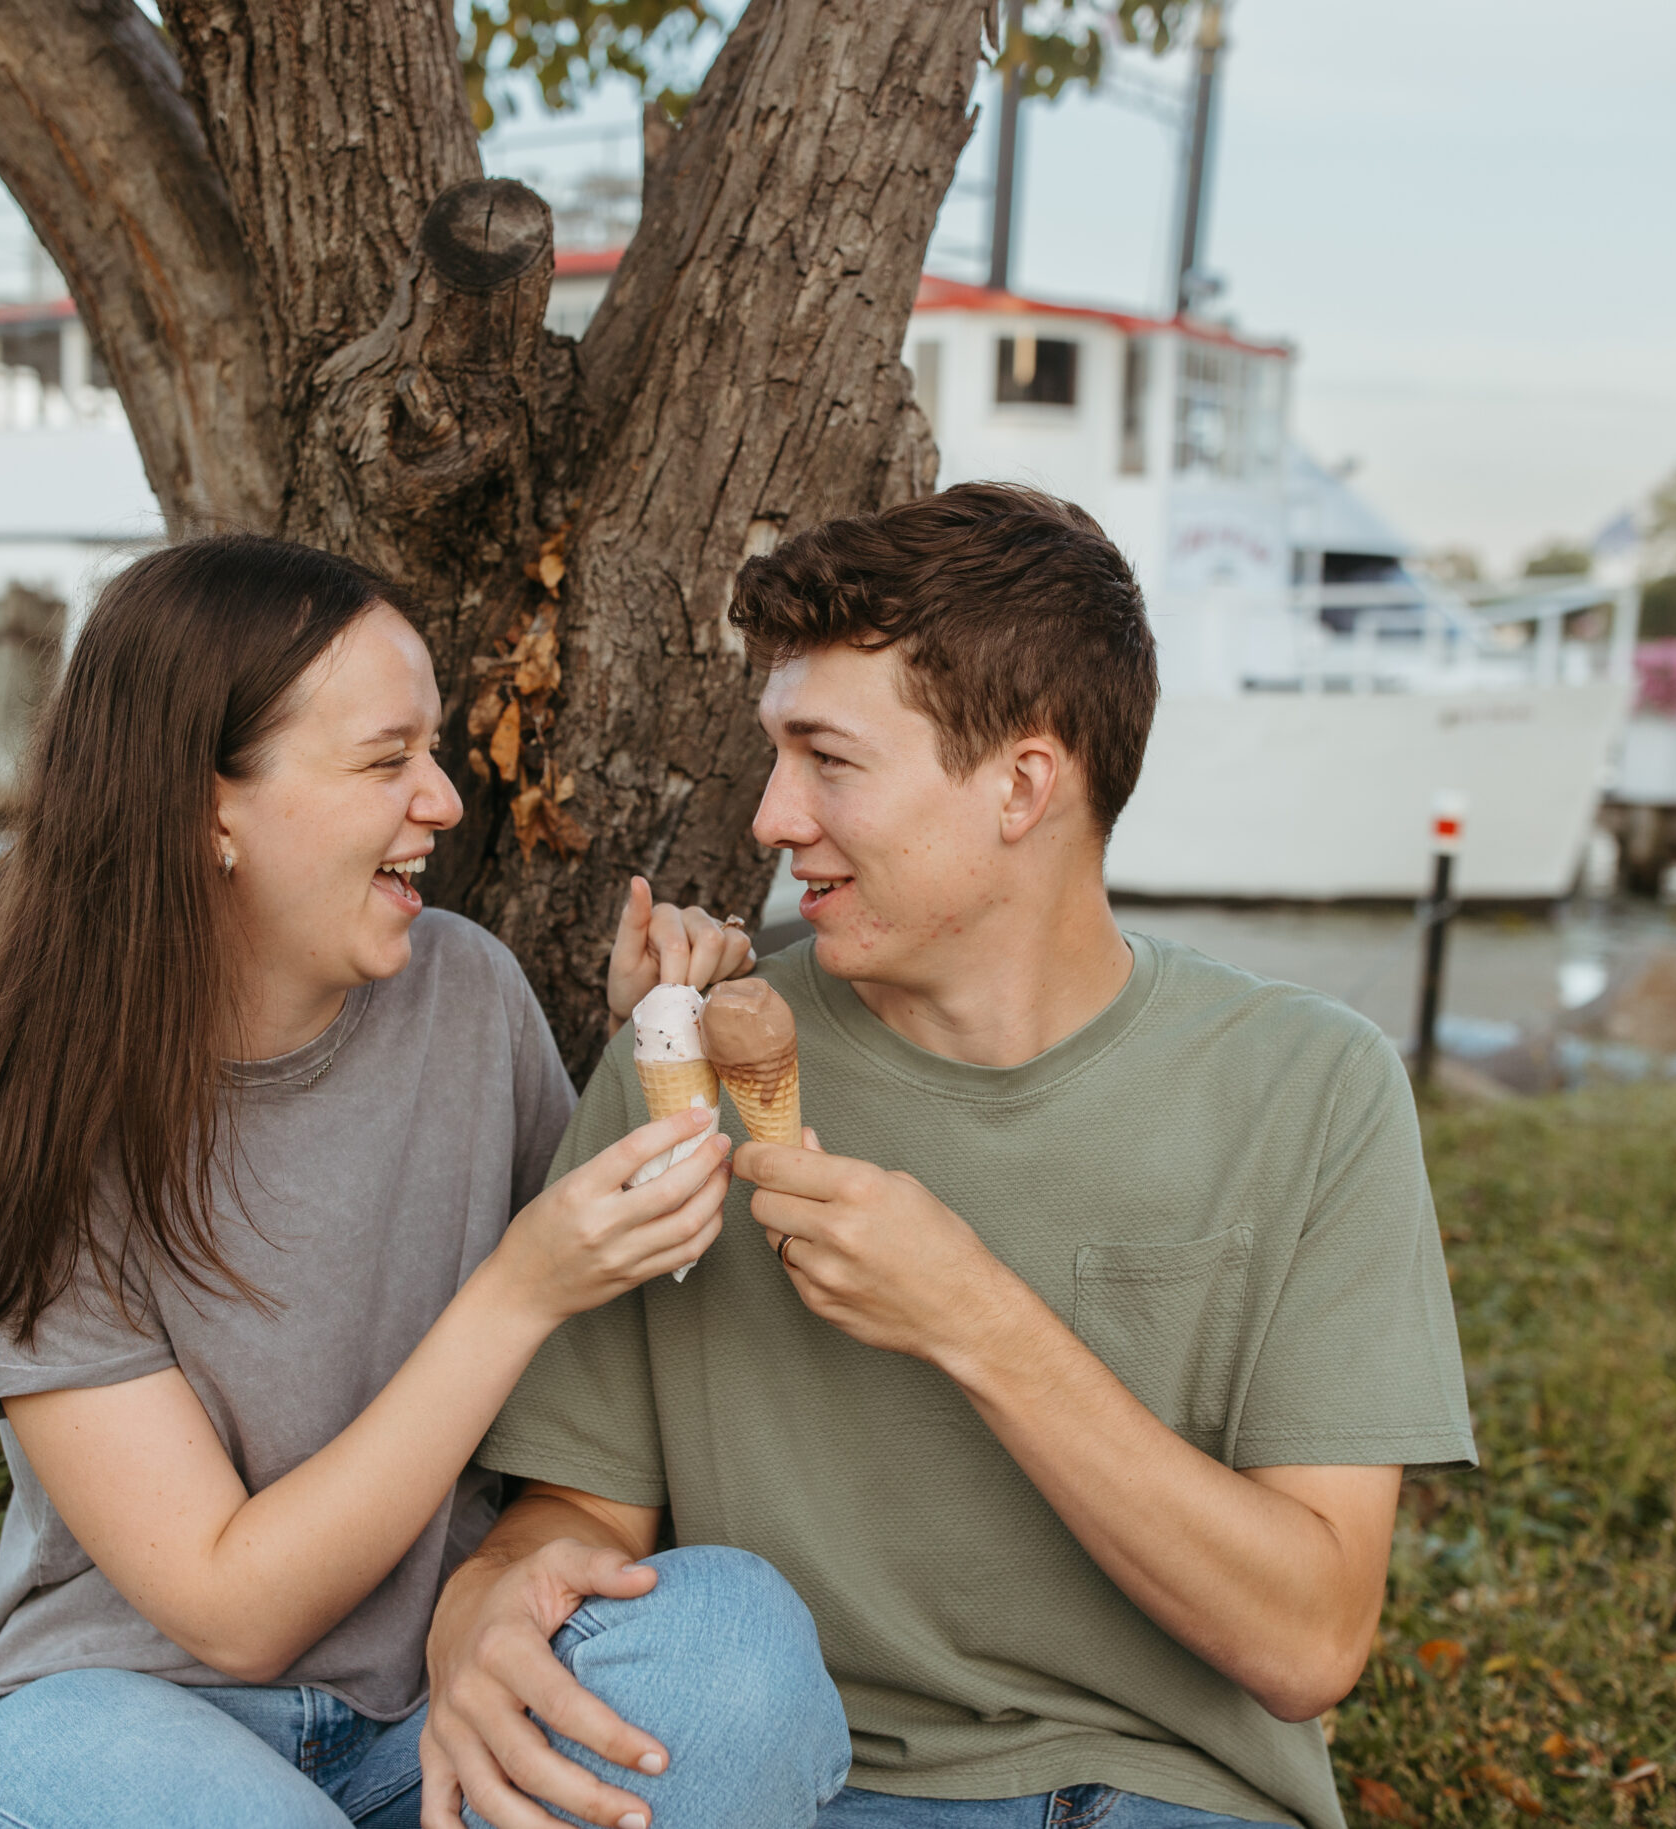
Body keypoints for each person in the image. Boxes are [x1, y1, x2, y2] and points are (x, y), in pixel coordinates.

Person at [421, 483, 1478, 1829]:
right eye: (775, 754)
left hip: (1179, 1794)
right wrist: (485, 1606)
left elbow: (1310, 1642)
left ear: (1023, 784)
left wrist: (974, 1318)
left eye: (829, 759)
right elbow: (577, 1511)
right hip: (813, 1780)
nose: (770, 817)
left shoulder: (1311, 1087)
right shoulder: (678, 1069)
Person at [0, 535, 755, 1829]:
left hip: (435, 1704)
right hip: (130, 1711)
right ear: (207, 809)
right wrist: (517, 1287)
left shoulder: (465, 995)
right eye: (384, 759)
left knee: (738, 1655)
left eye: (432, 750)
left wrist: (655, 1057)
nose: (447, 801)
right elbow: (233, 1608)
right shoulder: (36, 1118)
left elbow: (608, 1353)